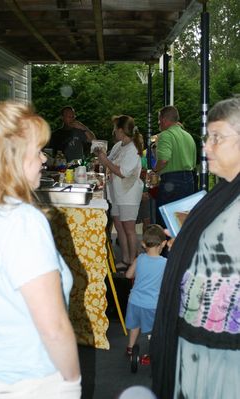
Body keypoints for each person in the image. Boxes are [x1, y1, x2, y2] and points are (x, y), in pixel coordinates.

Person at [0, 101, 81, 398]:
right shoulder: (21, 221)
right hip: (30, 383)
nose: (44, 160)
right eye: (37, 151)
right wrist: (71, 383)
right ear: (13, 158)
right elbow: (53, 327)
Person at [150, 96, 240, 399]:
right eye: (207, 137)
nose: (206, 147)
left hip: (221, 357)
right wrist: (185, 246)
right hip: (202, 347)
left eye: (217, 138)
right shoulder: (226, 189)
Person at [96, 115, 144, 271]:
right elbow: (107, 162)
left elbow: (123, 172)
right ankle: (125, 258)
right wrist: (100, 156)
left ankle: (134, 263)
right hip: (115, 192)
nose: (113, 131)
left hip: (129, 193)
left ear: (122, 130)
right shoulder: (118, 146)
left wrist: (105, 161)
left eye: (115, 128)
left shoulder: (134, 149)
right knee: (119, 225)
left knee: (129, 228)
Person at [124, 225, 167, 354]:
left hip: (134, 302)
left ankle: (130, 347)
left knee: (135, 325)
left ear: (143, 244)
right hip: (152, 304)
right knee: (155, 328)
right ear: (163, 243)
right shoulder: (164, 263)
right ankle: (153, 350)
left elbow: (128, 275)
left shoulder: (140, 259)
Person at [154, 106, 197, 226]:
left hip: (171, 183)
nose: (158, 123)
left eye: (159, 120)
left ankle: (166, 245)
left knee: (166, 221)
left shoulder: (165, 135)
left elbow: (163, 160)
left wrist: (154, 170)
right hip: (189, 181)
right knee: (182, 221)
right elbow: (193, 162)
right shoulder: (188, 136)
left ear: (163, 119)